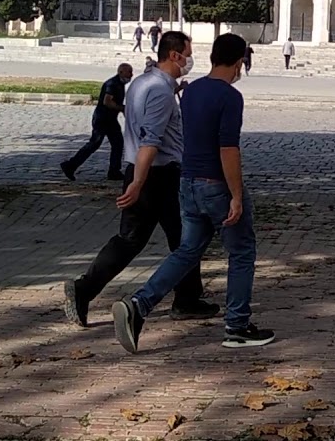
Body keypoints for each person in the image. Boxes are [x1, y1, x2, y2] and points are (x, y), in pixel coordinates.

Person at [113, 34, 275, 353]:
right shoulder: (230, 97)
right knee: (241, 252)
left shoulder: (192, 91)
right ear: (239, 62)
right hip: (216, 185)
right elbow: (228, 149)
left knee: (187, 251)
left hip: (188, 182)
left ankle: (139, 304)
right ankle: (237, 325)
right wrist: (236, 195)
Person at [61, 31, 218, 328]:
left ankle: (185, 297)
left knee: (147, 238)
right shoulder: (160, 92)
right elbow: (151, 140)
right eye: (188, 54)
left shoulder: (143, 83)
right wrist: (137, 183)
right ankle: (183, 299)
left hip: (143, 169)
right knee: (182, 238)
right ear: (175, 55)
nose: (190, 60)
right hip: (158, 175)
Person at [61, 64, 133, 182]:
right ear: (121, 72)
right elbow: (107, 101)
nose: (131, 75)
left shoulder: (120, 84)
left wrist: (125, 112)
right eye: (129, 72)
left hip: (111, 119)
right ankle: (70, 165)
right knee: (94, 143)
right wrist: (122, 108)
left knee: (118, 144)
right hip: (102, 119)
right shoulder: (112, 84)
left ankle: (114, 171)